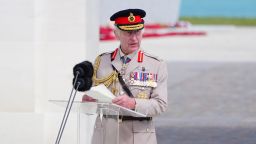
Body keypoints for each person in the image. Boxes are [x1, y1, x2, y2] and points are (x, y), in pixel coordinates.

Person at [83, 8, 168, 144]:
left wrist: (134, 103)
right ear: (116, 33)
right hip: (106, 136)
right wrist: (88, 102)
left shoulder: (156, 64)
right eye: (128, 33)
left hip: (138, 137)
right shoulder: (102, 61)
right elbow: (92, 106)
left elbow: (161, 105)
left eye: (137, 32)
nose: (134, 38)